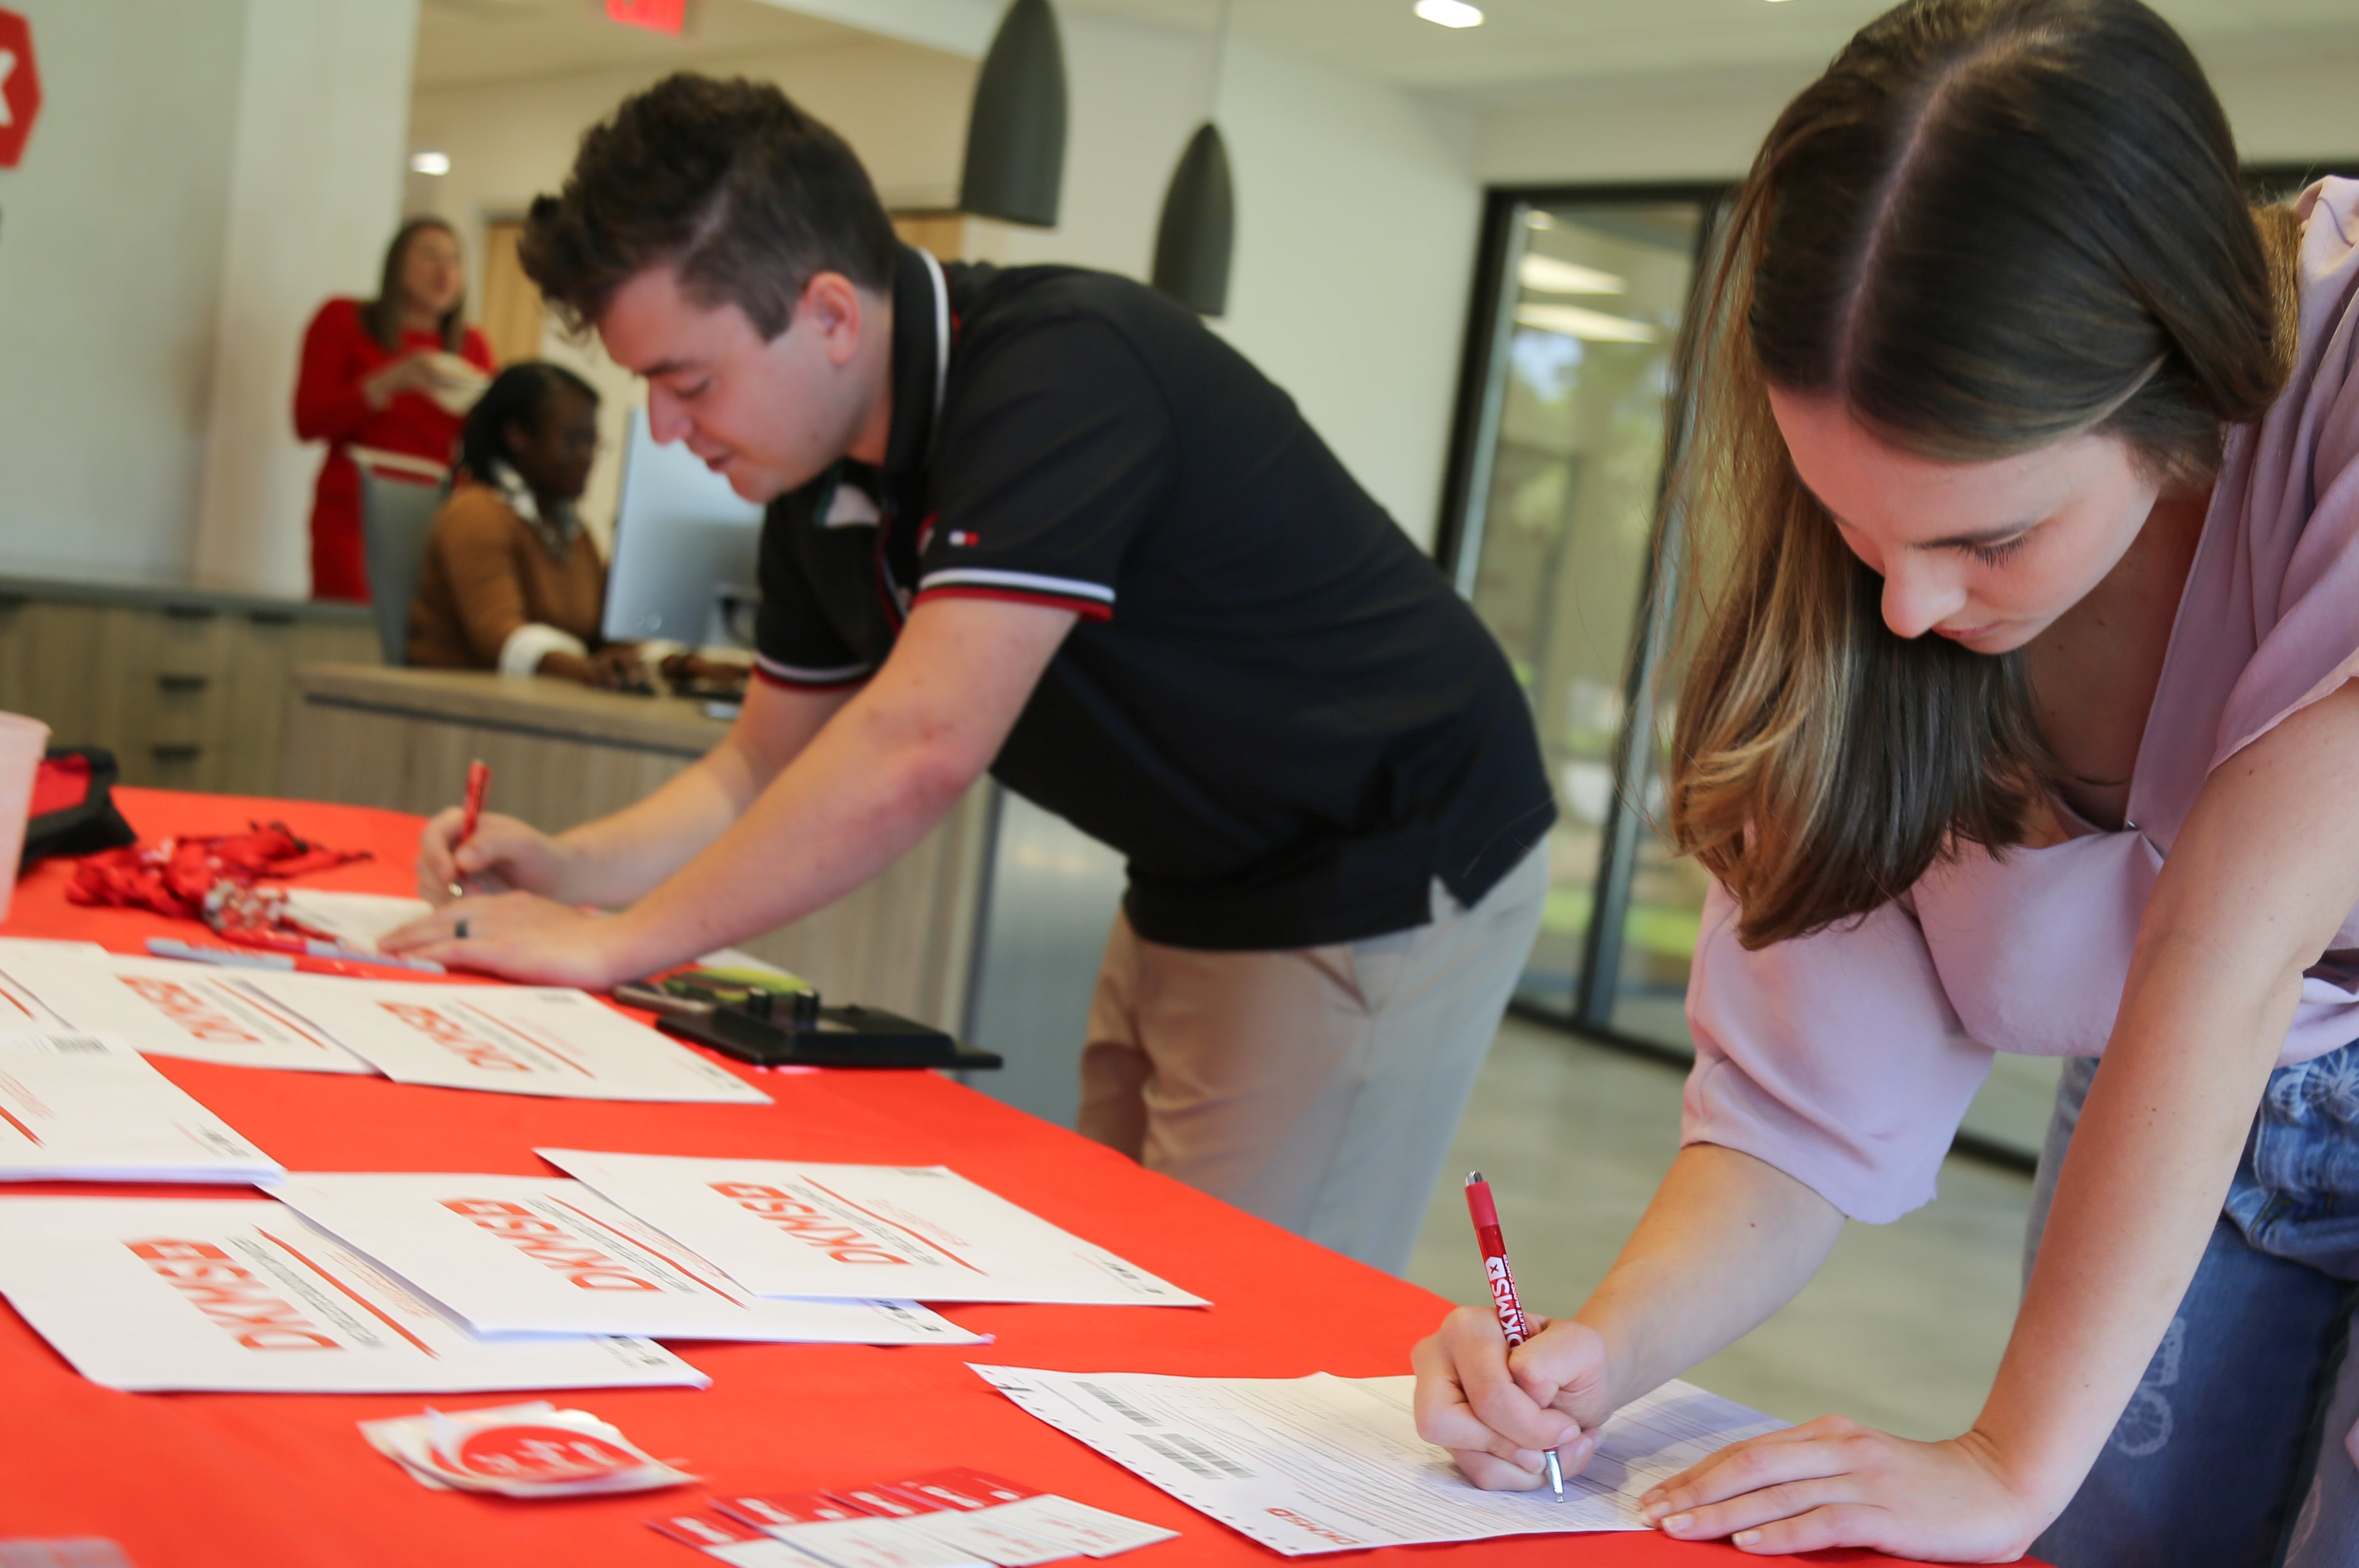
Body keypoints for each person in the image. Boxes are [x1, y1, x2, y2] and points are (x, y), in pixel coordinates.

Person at [1411, 0, 2359, 1568]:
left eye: (1988, 536)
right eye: (1855, 524)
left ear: (2177, 375)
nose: (1911, 604)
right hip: (2184, 1090)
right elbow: (1792, 1118)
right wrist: (1595, 1356)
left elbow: (2232, 946)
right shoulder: (1883, 597)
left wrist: (2004, 1460)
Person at [387, 77, 1555, 1275]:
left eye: (689, 383)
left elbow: (920, 746)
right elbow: (762, 764)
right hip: (1200, 865)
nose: (666, 429)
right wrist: (574, 872)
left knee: (1229, 1302)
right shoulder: (813, 477)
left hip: (1384, 854)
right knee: (1117, 1266)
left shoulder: (1063, 373)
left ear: (830, 315)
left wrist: (613, 946)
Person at [407, 362, 648, 688]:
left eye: (592, 443)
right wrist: (587, 671)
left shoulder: (574, 530)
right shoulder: (476, 512)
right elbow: (499, 636)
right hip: (461, 701)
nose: (586, 456)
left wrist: (673, 664)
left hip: (540, 699)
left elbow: (608, 637)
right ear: (516, 435)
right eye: (571, 441)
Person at [293, 219, 497, 603]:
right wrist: (390, 381)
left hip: (438, 515)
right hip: (355, 510)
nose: (445, 271)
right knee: (352, 626)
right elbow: (307, 421)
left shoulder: (472, 346)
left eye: (455, 260)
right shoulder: (343, 320)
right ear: (397, 264)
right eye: (430, 256)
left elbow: (487, 447)